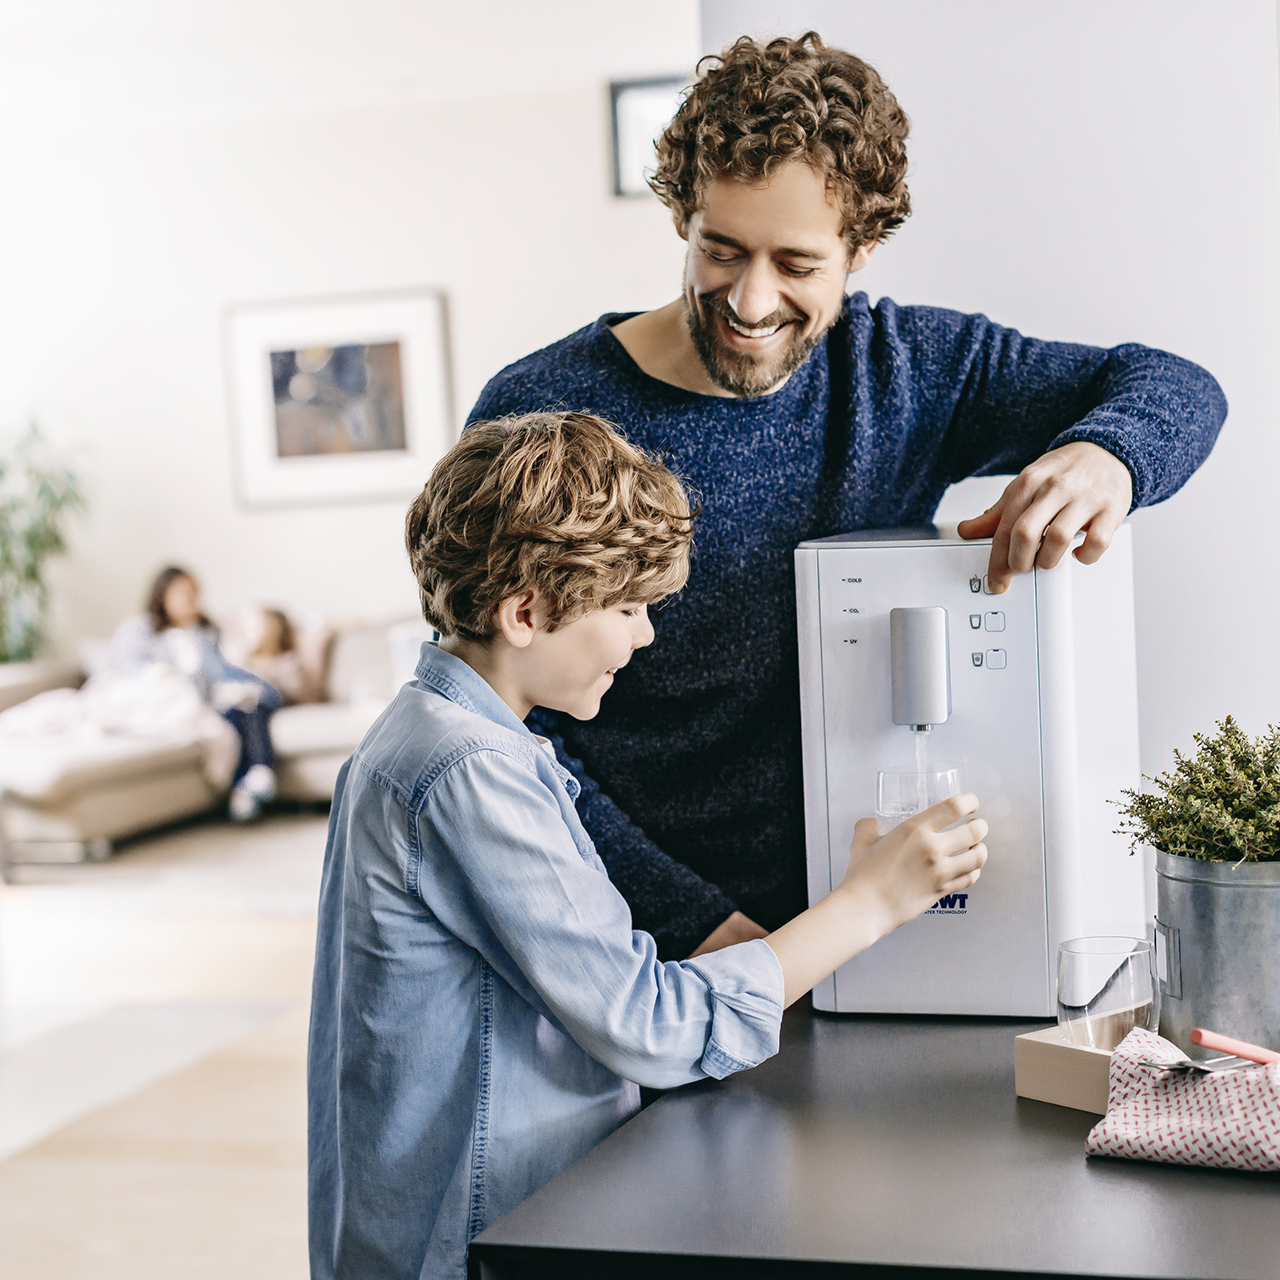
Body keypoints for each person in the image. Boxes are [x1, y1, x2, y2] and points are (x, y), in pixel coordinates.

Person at [467, 32, 1229, 961]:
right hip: (623, 948)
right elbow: (500, 721)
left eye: (796, 265)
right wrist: (696, 927)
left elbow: (1177, 385)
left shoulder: (907, 371)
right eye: (721, 250)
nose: (750, 302)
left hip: (873, 931)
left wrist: (1106, 457)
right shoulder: (539, 413)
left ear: (862, 247)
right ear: (682, 218)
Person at [306, 412, 988, 1280]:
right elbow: (647, 1023)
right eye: (627, 608)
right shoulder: (470, 769)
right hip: (477, 1238)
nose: (644, 635)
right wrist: (870, 903)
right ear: (525, 612)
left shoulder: (426, 734)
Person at [111, 566, 281, 821]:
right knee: (230, 716)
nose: (192, 601)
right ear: (163, 595)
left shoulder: (202, 636)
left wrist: (262, 688)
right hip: (163, 701)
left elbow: (222, 672)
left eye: (195, 594)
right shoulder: (137, 630)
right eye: (184, 594)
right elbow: (126, 670)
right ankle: (251, 780)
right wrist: (162, 675)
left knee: (247, 706)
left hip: (205, 704)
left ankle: (252, 782)